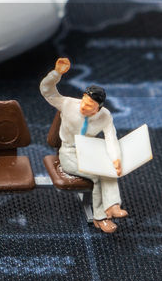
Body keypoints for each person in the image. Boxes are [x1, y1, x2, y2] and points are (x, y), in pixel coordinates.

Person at [40, 57, 126, 233]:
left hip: (90, 150)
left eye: (90, 106)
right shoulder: (68, 104)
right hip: (69, 152)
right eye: (84, 101)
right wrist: (56, 74)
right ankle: (100, 217)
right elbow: (47, 91)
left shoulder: (105, 116)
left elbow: (111, 138)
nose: (84, 107)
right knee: (97, 176)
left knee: (110, 170)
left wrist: (115, 159)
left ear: (98, 108)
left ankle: (113, 206)